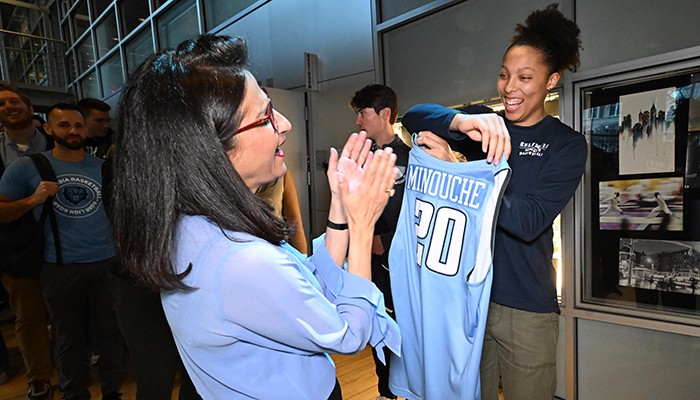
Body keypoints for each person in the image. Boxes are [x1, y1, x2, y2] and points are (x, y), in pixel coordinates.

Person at [109, 34, 400, 400]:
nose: (285, 124)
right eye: (265, 117)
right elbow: (347, 335)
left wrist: (341, 207)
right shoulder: (241, 261)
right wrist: (362, 227)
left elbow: (309, 285)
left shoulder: (199, 226)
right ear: (213, 146)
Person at [399, 4, 587, 399]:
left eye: (524, 77)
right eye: (504, 75)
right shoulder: (483, 125)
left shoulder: (566, 145)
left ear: (551, 81)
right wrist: (459, 123)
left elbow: (529, 220)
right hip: (467, 296)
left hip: (527, 307)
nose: (510, 87)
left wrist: (460, 171)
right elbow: (414, 117)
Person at [0, 102, 125, 400]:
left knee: (110, 336)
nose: (73, 131)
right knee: (68, 338)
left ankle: (112, 392)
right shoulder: (28, 167)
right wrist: (33, 200)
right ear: (48, 128)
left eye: (78, 125)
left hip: (106, 263)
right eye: (64, 125)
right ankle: (74, 393)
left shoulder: (103, 167)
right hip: (59, 266)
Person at [349, 84, 409, 400]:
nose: (358, 121)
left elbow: (420, 215)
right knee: (377, 328)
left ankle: (410, 389)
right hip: (367, 261)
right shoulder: (362, 158)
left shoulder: (413, 159)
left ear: (384, 114)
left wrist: (385, 239)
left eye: (363, 113)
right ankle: (385, 391)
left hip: (401, 262)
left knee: (406, 332)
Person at [0, 83, 55, 400]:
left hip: (67, 246)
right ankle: (39, 377)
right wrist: (32, 201)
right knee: (29, 316)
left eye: (13, 100)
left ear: (27, 105)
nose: (8, 106)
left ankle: (67, 364)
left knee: (67, 312)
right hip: (16, 250)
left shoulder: (59, 140)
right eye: (1, 104)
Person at [257, 169, 308, 253]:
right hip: (243, 253)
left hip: (274, 249)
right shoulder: (231, 176)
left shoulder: (281, 174)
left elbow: (294, 221)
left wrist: (303, 259)